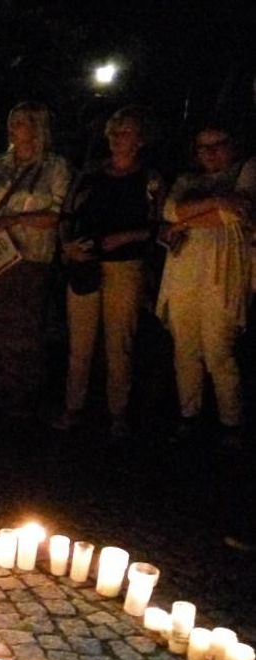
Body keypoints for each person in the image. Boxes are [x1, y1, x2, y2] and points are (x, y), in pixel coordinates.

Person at [53, 107, 166, 437]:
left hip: (124, 268)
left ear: (140, 139)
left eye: (125, 132)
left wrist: (128, 237)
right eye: (113, 132)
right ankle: (73, 406)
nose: (117, 138)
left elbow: (159, 225)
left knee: (119, 342)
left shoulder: (150, 180)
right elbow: (67, 214)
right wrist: (67, 247)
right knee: (80, 343)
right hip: (86, 262)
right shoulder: (89, 174)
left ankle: (118, 412)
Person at [0, 102, 72, 416]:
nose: (14, 127)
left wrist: (13, 221)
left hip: (30, 258)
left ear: (38, 128)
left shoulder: (56, 168)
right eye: (12, 121)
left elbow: (57, 214)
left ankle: (20, 391)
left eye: (22, 122)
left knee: (23, 325)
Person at [156, 122, 254, 447]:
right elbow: (170, 211)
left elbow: (237, 216)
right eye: (203, 147)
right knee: (185, 347)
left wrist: (187, 217)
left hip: (222, 271)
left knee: (218, 350)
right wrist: (216, 202)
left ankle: (231, 421)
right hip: (185, 268)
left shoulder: (248, 171)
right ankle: (189, 414)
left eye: (218, 144)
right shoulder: (187, 180)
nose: (210, 153)